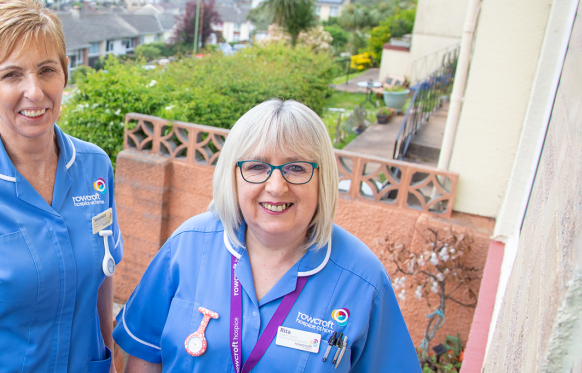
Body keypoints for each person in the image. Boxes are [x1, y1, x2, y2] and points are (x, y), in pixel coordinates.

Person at [113, 99, 421, 372]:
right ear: (232, 175)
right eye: (257, 166)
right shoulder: (189, 246)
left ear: (322, 178)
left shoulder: (363, 280)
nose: (276, 187)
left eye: (297, 168)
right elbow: (144, 355)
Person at [0, 0, 122, 373]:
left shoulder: (95, 167)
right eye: (11, 74)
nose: (34, 92)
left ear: (66, 71)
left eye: (47, 70)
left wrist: (110, 358)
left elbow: (102, 279)